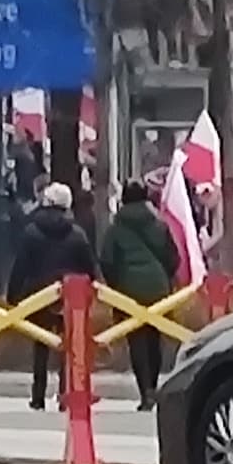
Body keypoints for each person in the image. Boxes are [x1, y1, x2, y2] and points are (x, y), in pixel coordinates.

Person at [95, 170, 185, 412]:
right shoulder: (160, 224)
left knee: (137, 342)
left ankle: (145, 391)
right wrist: (164, 278)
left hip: (129, 291)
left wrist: (117, 287)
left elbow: (107, 262)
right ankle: (153, 387)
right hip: (158, 288)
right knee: (155, 338)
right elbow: (174, 258)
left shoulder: (115, 229)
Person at [10, 182, 88, 409]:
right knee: (70, 347)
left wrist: (13, 297)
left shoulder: (32, 232)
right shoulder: (77, 233)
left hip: (39, 294)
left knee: (41, 346)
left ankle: (38, 396)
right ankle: (66, 394)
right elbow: (89, 268)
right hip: (69, 298)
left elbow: (20, 267)